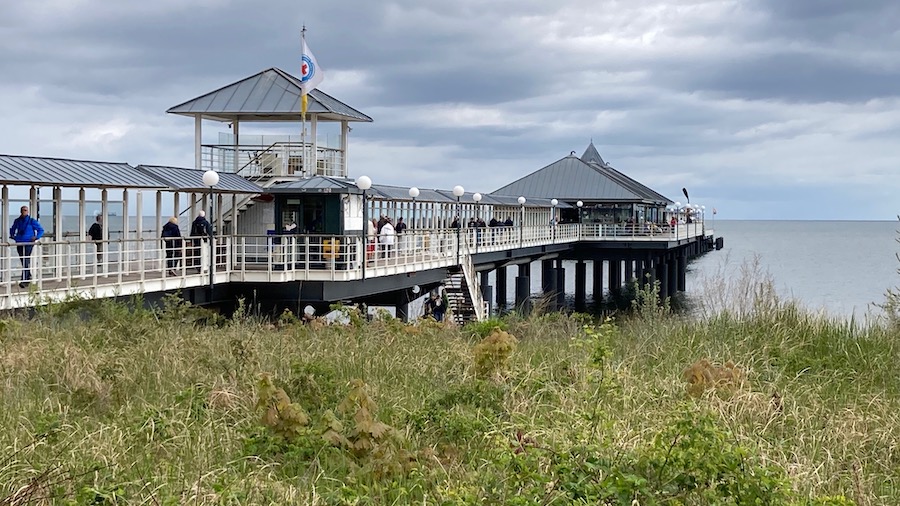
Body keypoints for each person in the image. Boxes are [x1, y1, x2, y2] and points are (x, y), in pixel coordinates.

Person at [10, 205, 43, 288]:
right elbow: (13, 228)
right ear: (20, 211)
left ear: (28, 211)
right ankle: (28, 276)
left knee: (25, 260)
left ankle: (24, 280)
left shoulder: (32, 221)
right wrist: (13, 235)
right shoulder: (17, 220)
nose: (24, 211)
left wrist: (36, 237)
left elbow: (41, 230)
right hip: (19, 242)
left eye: (25, 210)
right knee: (23, 260)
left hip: (28, 243)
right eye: (23, 210)